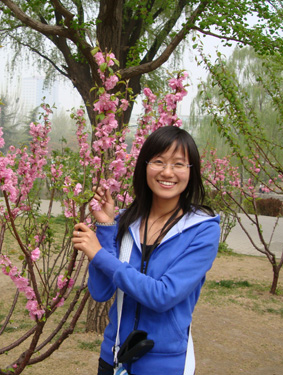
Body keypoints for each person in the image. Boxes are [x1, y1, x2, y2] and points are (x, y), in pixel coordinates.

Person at [72, 126, 220, 375]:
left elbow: (163, 296)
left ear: (191, 171)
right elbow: (100, 291)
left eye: (179, 164)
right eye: (159, 161)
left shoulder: (201, 230)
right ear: (145, 166)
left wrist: (98, 253)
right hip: (114, 358)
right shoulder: (127, 221)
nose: (167, 172)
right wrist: (107, 226)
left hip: (165, 365)